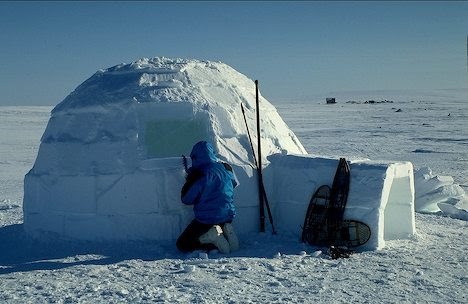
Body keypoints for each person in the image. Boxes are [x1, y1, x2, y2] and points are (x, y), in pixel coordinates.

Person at [176, 141, 239, 254]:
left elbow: (186, 199)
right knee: (221, 221)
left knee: (182, 244)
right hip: (228, 215)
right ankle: (226, 232)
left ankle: (213, 239)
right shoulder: (226, 167)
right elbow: (234, 184)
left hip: (207, 220)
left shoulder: (200, 175)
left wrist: (190, 180)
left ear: (195, 157)